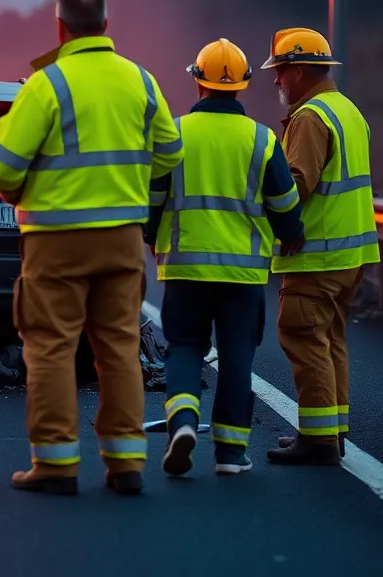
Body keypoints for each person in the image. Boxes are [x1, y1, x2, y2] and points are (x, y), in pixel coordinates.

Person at [0, 0, 184, 497]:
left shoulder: (47, 84)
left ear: (60, 28)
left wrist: (19, 191)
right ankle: (126, 464)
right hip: (121, 239)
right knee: (119, 346)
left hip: (56, 240)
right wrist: (129, 185)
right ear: (104, 24)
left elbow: (4, 166)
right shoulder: (139, 81)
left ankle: (55, 466)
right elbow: (169, 151)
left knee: (51, 347)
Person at [144, 38, 305, 478]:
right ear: (242, 87)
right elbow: (285, 203)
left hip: (185, 268)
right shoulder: (262, 139)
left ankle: (182, 424)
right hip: (242, 273)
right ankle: (231, 454)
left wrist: (150, 237)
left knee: (185, 349)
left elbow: (153, 199)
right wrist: (292, 236)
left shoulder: (173, 133)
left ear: (197, 83)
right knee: (237, 358)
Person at [261, 28, 380, 466]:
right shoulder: (347, 111)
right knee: (329, 339)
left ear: (300, 70)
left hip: (317, 254)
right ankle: (333, 430)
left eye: (280, 70)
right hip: (349, 255)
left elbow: (296, 184)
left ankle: (319, 440)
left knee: (302, 336)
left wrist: (256, 205)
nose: (276, 80)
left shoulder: (311, 117)